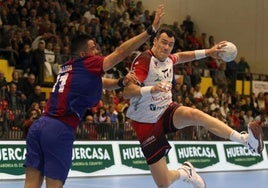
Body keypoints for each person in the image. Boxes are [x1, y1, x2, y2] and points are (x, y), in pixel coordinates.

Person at [23, 4, 165, 188]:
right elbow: (120, 52)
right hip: (58, 130)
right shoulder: (88, 62)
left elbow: (101, 82)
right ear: (83, 54)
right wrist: (150, 31)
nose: (97, 52)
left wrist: (120, 82)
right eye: (93, 48)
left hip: (39, 127)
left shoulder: (69, 67)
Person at [123, 27, 264, 188]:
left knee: (195, 114)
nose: (166, 47)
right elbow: (127, 92)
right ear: (154, 41)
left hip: (165, 110)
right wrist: (151, 89)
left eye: (170, 44)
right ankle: (185, 172)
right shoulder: (145, 60)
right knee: (163, 183)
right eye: (163, 42)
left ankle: (246, 141)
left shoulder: (169, 58)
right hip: (145, 123)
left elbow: (182, 56)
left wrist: (209, 52)